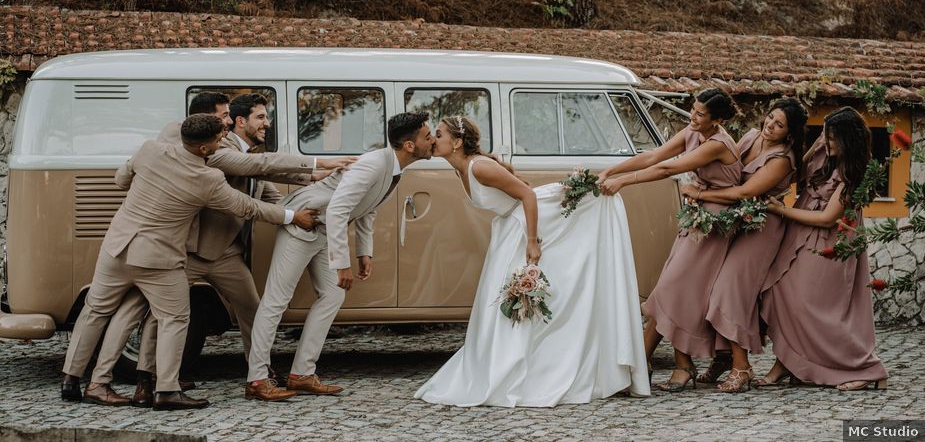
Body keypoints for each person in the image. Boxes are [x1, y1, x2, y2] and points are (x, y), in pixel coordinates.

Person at [78, 92, 354, 407]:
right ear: (241, 121)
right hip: (191, 251)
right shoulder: (220, 150)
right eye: (261, 117)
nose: (267, 123)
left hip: (226, 254)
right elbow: (255, 174)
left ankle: (259, 374)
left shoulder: (250, 152)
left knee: (253, 308)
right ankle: (148, 381)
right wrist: (314, 173)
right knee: (158, 315)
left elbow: (267, 180)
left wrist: (306, 197)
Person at [414, 116, 650, 407]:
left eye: (438, 134)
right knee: (503, 300)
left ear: (457, 142)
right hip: (508, 227)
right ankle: (502, 364)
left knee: (537, 294)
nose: (434, 139)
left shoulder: (479, 166)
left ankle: (542, 368)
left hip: (523, 225)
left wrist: (532, 240)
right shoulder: (462, 168)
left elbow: (526, 194)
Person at [245, 112, 437, 402]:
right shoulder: (372, 165)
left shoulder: (394, 167)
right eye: (427, 136)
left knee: (333, 296)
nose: (433, 140)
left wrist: (364, 252)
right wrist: (343, 264)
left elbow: (367, 208)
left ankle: (302, 374)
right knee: (276, 301)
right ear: (409, 145)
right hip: (303, 225)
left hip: (324, 231)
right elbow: (338, 210)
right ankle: (257, 380)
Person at [598, 88, 742, 391]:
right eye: (693, 109)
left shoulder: (718, 143)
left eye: (701, 114)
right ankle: (675, 364)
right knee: (672, 289)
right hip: (696, 218)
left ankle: (643, 361)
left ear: (716, 120)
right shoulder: (693, 132)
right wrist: (612, 169)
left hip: (717, 222)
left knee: (672, 288)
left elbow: (668, 168)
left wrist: (623, 182)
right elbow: (654, 155)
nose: (693, 116)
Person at [678, 98, 807, 392]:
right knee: (711, 285)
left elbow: (746, 191)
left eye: (779, 125)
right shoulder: (750, 136)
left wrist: (699, 192)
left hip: (761, 228)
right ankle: (723, 358)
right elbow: (726, 175)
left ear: (789, 133)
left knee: (730, 290)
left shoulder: (782, 159)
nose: (770, 126)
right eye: (770, 118)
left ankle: (742, 367)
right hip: (735, 223)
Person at [757, 106, 888, 390]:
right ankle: (785, 362)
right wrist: (817, 140)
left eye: (832, 139)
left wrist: (780, 210)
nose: (826, 143)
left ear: (848, 141)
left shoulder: (854, 175)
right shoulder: (823, 153)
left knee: (817, 309)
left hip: (829, 244)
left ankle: (867, 370)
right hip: (800, 237)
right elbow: (796, 173)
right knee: (778, 293)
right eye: (825, 137)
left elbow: (827, 218)